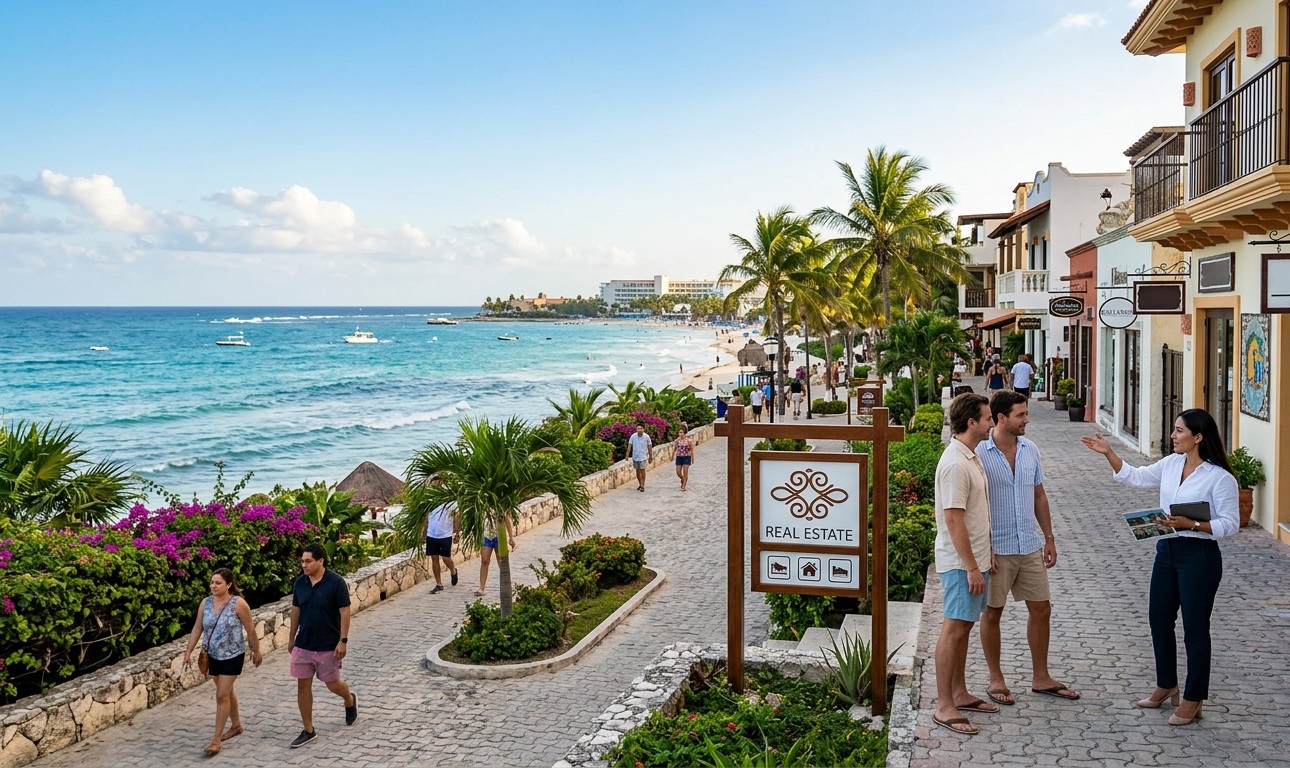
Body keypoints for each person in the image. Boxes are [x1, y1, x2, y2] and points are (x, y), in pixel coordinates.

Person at [1080, 409, 1239, 726]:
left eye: (1179, 431)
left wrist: (1192, 523)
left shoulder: (1221, 478)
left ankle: (1194, 698)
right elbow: (1136, 477)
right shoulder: (1171, 464)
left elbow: (1231, 525)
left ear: (1198, 437)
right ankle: (1166, 684)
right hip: (1166, 550)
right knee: (1159, 619)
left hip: (1200, 556)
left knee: (1195, 629)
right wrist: (1109, 452)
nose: (1173, 436)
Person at [976, 391, 1079, 707]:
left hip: (1029, 545)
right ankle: (996, 678)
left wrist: (1049, 538)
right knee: (993, 613)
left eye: (1027, 413)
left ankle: (1041, 677)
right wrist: (982, 548)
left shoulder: (1030, 449)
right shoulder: (979, 452)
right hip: (997, 549)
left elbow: (1039, 495)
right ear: (1001, 418)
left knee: (1042, 608)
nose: (1027, 420)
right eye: (1021, 415)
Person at [932, 392, 996, 736]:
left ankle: (959, 692)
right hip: (960, 564)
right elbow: (954, 519)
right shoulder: (956, 463)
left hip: (975, 559)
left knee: (964, 628)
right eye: (987, 419)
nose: (991, 423)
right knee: (954, 629)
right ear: (971, 422)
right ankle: (944, 705)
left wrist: (987, 556)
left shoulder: (970, 456)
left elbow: (975, 514)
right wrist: (972, 566)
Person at [183, 568, 263, 756]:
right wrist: (188, 652)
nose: (213, 586)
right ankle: (236, 725)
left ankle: (215, 740)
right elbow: (197, 628)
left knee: (221, 695)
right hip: (212, 655)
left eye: (218, 583)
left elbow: (250, 629)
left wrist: (256, 651)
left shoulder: (238, 604)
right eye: (211, 582)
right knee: (227, 692)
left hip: (233, 655)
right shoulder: (206, 603)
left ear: (228, 585)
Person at [288, 544, 357, 748]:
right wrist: (291, 638)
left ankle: (349, 698)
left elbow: (345, 611)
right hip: (304, 644)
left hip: (328, 644)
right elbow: (295, 610)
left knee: (332, 683)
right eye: (302, 561)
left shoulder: (336, 582)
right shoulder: (300, 583)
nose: (304, 565)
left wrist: (342, 641)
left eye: (308, 561)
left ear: (320, 561)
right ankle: (308, 730)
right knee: (303, 685)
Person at [422, 475, 459, 594]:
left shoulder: (449, 500)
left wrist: (457, 532)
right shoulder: (429, 500)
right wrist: (424, 531)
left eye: (438, 483)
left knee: (445, 557)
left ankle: (453, 570)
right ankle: (439, 584)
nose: (436, 485)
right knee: (434, 558)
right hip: (432, 533)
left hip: (445, 534)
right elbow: (425, 516)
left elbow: (457, 515)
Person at [476, 513, 517, 596]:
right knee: (484, 561)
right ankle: (481, 588)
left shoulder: (501, 506)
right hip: (486, 535)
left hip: (499, 534)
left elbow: (507, 519)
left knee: (501, 561)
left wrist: (511, 537)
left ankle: (506, 584)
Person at [627, 423, 653, 491]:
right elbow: (629, 445)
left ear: (643, 429)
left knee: (643, 471)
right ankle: (640, 483)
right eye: (638, 428)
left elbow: (649, 447)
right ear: (636, 429)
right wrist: (627, 455)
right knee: (638, 472)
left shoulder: (646, 437)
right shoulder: (633, 436)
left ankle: (642, 485)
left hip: (643, 457)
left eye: (641, 428)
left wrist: (650, 456)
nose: (639, 430)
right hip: (635, 457)